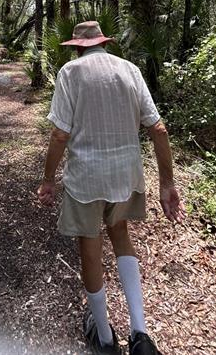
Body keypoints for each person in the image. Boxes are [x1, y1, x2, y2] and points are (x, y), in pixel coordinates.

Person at [37, 21, 185, 355]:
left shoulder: (71, 73)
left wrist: (47, 180)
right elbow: (158, 130)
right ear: (103, 42)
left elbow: (60, 134)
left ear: (77, 46)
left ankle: (104, 339)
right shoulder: (130, 70)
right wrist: (167, 185)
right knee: (120, 235)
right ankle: (140, 334)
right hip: (125, 176)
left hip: (86, 180)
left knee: (91, 248)